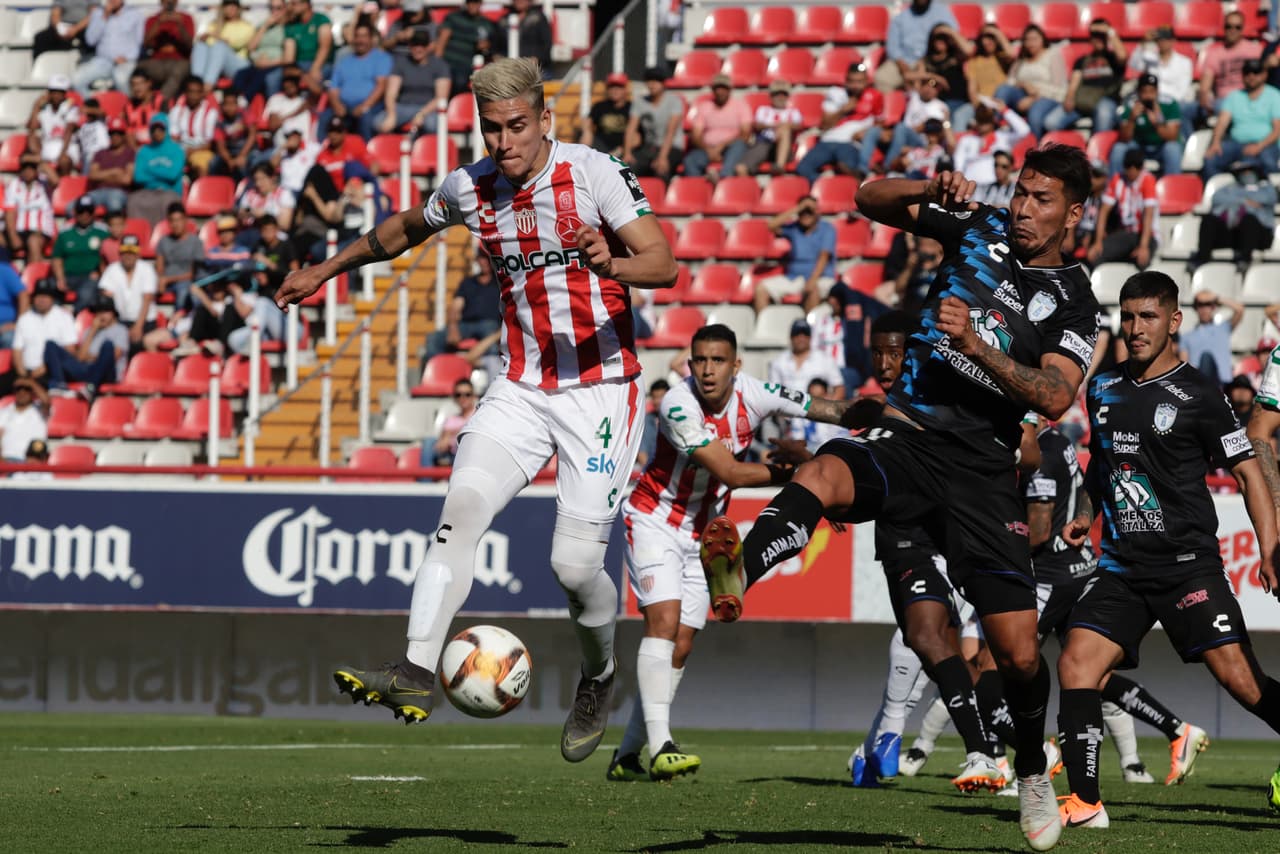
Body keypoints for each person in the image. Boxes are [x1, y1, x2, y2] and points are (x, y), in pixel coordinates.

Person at [275, 58, 678, 763]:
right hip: (519, 388)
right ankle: (414, 669)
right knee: (458, 511)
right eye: (491, 129)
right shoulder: (470, 186)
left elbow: (664, 263)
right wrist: (324, 272)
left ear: (545, 119)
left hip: (600, 388)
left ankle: (600, 674)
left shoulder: (593, 173)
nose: (504, 141)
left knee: (575, 566)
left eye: (517, 126)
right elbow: (402, 229)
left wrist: (613, 264)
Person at [700, 145, 1102, 851]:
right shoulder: (978, 226)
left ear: (1074, 213)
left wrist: (978, 347)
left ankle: (1034, 771)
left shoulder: (1074, 298)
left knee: (1017, 656)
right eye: (1020, 192)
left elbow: (1058, 394)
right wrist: (928, 184)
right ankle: (739, 573)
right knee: (825, 471)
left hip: (983, 470)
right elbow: (867, 198)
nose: (1023, 208)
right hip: (910, 434)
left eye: (1042, 200)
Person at [1055, 270, 1280, 829]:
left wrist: (1270, 549)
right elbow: (1102, 467)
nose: (1135, 329)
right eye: (1128, 317)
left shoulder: (1202, 393)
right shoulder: (1103, 387)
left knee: (1241, 681)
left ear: (1173, 321)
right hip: (1123, 567)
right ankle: (1085, 803)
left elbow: (1250, 472)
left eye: (1148, 317)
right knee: (1076, 663)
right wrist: (1086, 513)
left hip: (1187, 566)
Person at [608, 323, 858, 782]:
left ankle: (627, 754)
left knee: (681, 646)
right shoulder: (676, 404)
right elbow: (732, 474)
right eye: (699, 359)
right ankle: (663, 746)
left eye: (717, 360)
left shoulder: (755, 393)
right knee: (662, 624)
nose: (707, 370)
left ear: (736, 365)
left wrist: (874, 418)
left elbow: (828, 409)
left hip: (705, 536)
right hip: (654, 520)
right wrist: (811, 482)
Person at [843, 310, 1011, 789]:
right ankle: (878, 752)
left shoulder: (941, 403)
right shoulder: (882, 410)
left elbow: (1028, 449)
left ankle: (987, 752)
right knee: (921, 645)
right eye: (877, 351)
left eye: (895, 351)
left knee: (924, 642)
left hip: (945, 543)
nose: (884, 361)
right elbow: (853, 436)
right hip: (902, 538)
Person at [1025, 419, 1201, 787]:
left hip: (1055, 573)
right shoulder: (1057, 441)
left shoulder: (1042, 447)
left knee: (997, 659)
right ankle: (1162, 740)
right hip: (1078, 567)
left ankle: (1008, 756)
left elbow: (1040, 527)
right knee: (1091, 673)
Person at [796, 63, 884, 185]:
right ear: (846, 81)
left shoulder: (875, 96)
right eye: (852, 81)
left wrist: (867, 132)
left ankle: (845, 184)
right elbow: (824, 125)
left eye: (860, 81)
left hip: (850, 143)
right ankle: (825, 185)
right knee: (802, 168)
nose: (856, 86)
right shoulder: (836, 93)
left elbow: (880, 123)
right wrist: (843, 110)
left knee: (848, 167)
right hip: (827, 141)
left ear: (866, 81)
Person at [1188, 161, 1277, 274]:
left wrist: (1235, 197)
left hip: (1258, 236)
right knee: (1209, 220)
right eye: (1243, 172)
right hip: (1234, 233)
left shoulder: (1266, 188)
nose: (1247, 174)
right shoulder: (1231, 187)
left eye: (1250, 171)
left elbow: (1268, 199)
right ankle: (1201, 258)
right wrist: (1244, 201)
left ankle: (1245, 260)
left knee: (1249, 220)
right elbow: (1216, 198)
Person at [754, 196, 836, 313]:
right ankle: (764, 327)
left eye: (810, 211)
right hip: (795, 277)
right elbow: (771, 226)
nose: (806, 214)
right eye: (803, 211)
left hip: (820, 277)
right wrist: (797, 209)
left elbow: (824, 256)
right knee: (761, 288)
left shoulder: (827, 228)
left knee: (813, 289)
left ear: (817, 212)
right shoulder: (794, 228)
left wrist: (813, 280)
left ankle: (808, 329)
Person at [1045, 19, 1125, 135]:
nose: (1098, 39)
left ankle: (1098, 150)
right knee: (1051, 122)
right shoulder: (1082, 60)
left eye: (1101, 36)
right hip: (1083, 101)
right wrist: (1069, 98)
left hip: (1105, 100)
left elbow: (1122, 56)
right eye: (1094, 36)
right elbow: (1074, 83)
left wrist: (1109, 31)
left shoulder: (1114, 59)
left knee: (1104, 113)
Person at [1204, 58, 1280, 178]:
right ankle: (1217, 192)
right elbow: (1222, 123)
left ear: (1264, 75)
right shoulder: (1234, 96)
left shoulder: (1274, 95)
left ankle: (1271, 192)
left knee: (1266, 161)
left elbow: (1277, 130)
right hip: (1237, 144)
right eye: (1247, 72)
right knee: (1211, 158)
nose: (1251, 76)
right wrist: (1215, 142)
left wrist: (1259, 146)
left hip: (1266, 145)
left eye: (1256, 72)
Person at [861, 76, 950, 178]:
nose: (929, 90)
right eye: (926, 85)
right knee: (874, 131)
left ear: (938, 91)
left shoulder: (940, 106)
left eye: (934, 88)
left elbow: (931, 128)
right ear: (921, 87)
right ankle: (862, 169)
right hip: (901, 135)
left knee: (901, 128)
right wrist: (930, 75)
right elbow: (907, 76)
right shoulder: (915, 96)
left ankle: (887, 166)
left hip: (922, 142)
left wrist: (893, 134)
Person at [1189, 11, 1262, 133]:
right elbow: (1205, 86)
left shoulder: (1255, 51)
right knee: (1184, 110)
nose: (1232, 30)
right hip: (1221, 101)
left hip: (1246, 98)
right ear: (1224, 28)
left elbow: (1262, 79)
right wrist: (1204, 97)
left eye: (1237, 27)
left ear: (1242, 29)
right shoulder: (1214, 53)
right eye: (1229, 26)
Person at [424, 248, 500, 362]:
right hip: (465, 324)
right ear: (477, 260)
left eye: (488, 259)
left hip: (490, 325)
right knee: (433, 338)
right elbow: (456, 306)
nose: (485, 262)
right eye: (482, 258)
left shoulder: (500, 283)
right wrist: (453, 327)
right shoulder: (468, 283)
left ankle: (491, 373)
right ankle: (438, 373)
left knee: (493, 344)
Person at [1087, 148, 1158, 269]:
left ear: (1139, 169)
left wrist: (1143, 246)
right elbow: (1103, 211)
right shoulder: (1117, 179)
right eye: (1128, 168)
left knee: (1141, 259)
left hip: (1146, 234)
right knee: (1095, 255)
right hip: (1125, 233)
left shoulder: (1148, 180)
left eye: (1134, 169)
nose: (1131, 172)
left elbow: (1148, 215)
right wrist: (1098, 242)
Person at [994, 24, 1067, 140]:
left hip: (1047, 98)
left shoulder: (1053, 55)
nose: (1030, 43)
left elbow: (1060, 90)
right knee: (1003, 90)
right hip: (1022, 94)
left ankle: (1035, 149)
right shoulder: (1022, 59)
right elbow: (1010, 81)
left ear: (1042, 40)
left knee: (1035, 113)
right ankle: (992, 130)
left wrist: (1035, 97)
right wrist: (1023, 84)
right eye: (1027, 40)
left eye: (1034, 39)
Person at [43, 295, 129, 393]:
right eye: (98, 312)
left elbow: (114, 356)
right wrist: (93, 330)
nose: (101, 315)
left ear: (113, 313)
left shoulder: (121, 330)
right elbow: (80, 357)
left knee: (107, 345)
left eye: (105, 311)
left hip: (107, 374)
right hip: (88, 370)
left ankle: (91, 388)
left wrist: (91, 357)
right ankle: (59, 386)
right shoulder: (89, 330)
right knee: (51, 345)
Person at [323, 22, 393, 140]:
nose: (360, 40)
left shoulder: (382, 58)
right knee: (325, 117)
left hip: (371, 105)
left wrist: (364, 106)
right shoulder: (344, 60)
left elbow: (381, 86)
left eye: (364, 36)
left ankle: (366, 153)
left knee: (366, 117)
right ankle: (323, 155)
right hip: (344, 106)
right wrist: (337, 105)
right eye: (357, 36)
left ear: (371, 39)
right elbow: (333, 88)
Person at [876, 0, 958, 93]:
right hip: (906, 62)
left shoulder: (942, 13)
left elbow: (954, 36)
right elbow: (892, 48)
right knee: (882, 79)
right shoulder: (901, 18)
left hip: (933, 62)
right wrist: (902, 66)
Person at [379, 30, 452, 135]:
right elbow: (391, 94)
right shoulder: (401, 63)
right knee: (380, 122)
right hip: (403, 107)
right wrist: (391, 115)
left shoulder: (440, 65)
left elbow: (440, 98)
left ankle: (428, 150)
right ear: (409, 46)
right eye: (414, 45)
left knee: (431, 124)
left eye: (422, 45)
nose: (418, 49)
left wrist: (421, 114)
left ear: (429, 46)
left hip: (428, 108)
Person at [1109, 73, 1182, 178]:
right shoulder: (1130, 105)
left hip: (1161, 147)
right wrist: (1132, 119)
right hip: (1139, 146)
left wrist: (1157, 123)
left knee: (1173, 148)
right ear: (1138, 92)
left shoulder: (1169, 104)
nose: (1148, 96)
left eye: (1152, 91)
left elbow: (1173, 137)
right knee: (1119, 148)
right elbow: (1124, 138)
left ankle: (1173, 188)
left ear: (1157, 91)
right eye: (1144, 92)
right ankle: (1113, 188)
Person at [681, 74, 751, 180]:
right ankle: (699, 190)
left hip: (731, 147)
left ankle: (724, 179)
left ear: (730, 90)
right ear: (712, 90)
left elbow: (745, 134)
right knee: (690, 160)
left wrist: (721, 146)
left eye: (723, 88)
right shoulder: (704, 107)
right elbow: (696, 136)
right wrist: (709, 150)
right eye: (717, 88)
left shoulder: (741, 106)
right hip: (707, 148)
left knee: (739, 145)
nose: (720, 91)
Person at [11, 280, 78, 388]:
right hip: (28, 372)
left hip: (52, 371)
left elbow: (70, 351)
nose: (42, 299)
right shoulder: (24, 319)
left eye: (46, 296)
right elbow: (17, 350)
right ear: (33, 298)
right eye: (39, 296)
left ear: (52, 298)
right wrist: (22, 374)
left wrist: (44, 368)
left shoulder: (64, 317)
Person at [624, 67, 685, 181]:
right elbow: (631, 128)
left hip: (672, 147)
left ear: (663, 84)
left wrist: (662, 157)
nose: (652, 85)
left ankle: (662, 196)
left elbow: (670, 132)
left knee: (661, 169)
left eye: (656, 81)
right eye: (649, 81)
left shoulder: (674, 101)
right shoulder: (640, 101)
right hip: (650, 147)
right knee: (629, 169)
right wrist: (627, 153)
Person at [951, 103, 1031, 188]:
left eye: (986, 120)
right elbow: (958, 165)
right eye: (980, 119)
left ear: (993, 120)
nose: (983, 123)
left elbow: (1024, 131)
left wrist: (1005, 111)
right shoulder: (967, 139)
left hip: (994, 188)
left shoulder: (1004, 137)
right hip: (969, 186)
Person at [73, 0, 145, 95]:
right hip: (102, 61)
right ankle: (93, 105)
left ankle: (128, 107)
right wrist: (104, 17)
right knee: (76, 79)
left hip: (126, 61)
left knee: (121, 79)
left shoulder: (135, 14)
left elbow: (139, 41)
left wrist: (127, 57)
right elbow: (90, 40)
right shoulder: (98, 13)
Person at [98, 235, 158, 347]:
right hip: (121, 321)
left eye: (132, 253)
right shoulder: (112, 269)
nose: (128, 256)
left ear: (137, 254)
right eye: (125, 252)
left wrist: (138, 326)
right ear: (120, 253)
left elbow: (147, 299)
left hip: (145, 321)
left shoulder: (147, 269)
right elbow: (106, 298)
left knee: (137, 345)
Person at [1179, 289, 1246, 385]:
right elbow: (1184, 366)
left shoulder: (1224, 328)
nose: (1204, 309)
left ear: (1213, 307)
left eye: (1208, 305)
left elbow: (1240, 309)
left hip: (1223, 384)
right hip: (1199, 384)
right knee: (1205, 359)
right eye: (1200, 305)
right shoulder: (1186, 337)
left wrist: (1216, 298)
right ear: (1196, 308)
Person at [52, 196, 108, 309]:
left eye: (89, 211)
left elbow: (108, 257)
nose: (85, 215)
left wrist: (100, 273)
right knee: (48, 289)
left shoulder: (103, 231)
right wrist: (60, 278)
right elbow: (57, 258)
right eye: (81, 211)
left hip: (90, 277)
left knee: (86, 293)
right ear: (75, 212)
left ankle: (74, 317)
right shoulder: (65, 232)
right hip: (68, 276)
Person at [232, 0, 295, 100]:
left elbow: (288, 58)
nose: (275, 11)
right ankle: (236, 102)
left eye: (278, 8)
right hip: (258, 63)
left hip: (276, 64)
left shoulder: (289, 27)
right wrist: (265, 26)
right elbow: (251, 47)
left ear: (285, 9)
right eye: (272, 8)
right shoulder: (263, 25)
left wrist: (267, 63)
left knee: (262, 77)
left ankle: (247, 103)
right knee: (241, 74)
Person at [130, 114, 186, 226]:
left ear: (167, 130)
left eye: (161, 129)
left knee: (167, 203)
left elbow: (173, 175)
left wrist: (149, 169)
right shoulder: (144, 151)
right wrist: (162, 173)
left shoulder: (177, 150)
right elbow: (138, 177)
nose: (157, 132)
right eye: (154, 129)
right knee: (133, 201)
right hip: (148, 191)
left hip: (169, 191)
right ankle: (140, 235)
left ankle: (162, 235)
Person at [738, 79, 802, 176]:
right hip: (764, 144)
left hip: (784, 148)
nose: (780, 97)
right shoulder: (763, 110)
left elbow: (798, 125)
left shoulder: (793, 112)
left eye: (783, 94)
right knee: (741, 167)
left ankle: (779, 166)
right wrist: (775, 125)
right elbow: (757, 125)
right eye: (777, 94)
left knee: (784, 130)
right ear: (771, 96)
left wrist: (784, 126)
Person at [1127, 27, 1194, 119]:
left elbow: (1182, 90)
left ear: (1173, 41)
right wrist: (1143, 42)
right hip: (1150, 101)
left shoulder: (1184, 62)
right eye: (1159, 39)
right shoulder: (1149, 57)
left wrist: (1165, 104)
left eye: (1165, 39)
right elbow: (1133, 64)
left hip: (1173, 103)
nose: (1162, 42)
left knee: (1181, 111)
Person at [768, 320, 844, 400]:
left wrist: (829, 408)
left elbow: (839, 388)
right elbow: (773, 392)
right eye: (797, 334)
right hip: (786, 409)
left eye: (805, 334)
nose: (801, 338)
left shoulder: (824, 359)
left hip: (817, 409)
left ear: (810, 337)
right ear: (791, 337)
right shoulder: (779, 361)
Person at [135, 0, 195, 102]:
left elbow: (189, 44)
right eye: (166, 1)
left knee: (178, 71)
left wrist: (180, 24)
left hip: (179, 61)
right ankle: (137, 104)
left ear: (177, 2)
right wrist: (158, 23)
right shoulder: (153, 19)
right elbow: (146, 43)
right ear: (161, 2)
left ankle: (159, 102)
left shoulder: (186, 18)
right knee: (137, 70)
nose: (169, 3)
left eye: (172, 1)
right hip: (157, 62)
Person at [4, 155, 58, 268]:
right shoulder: (14, 185)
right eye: (25, 168)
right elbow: (9, 211)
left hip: (40, 231)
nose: (28, 171)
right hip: (20, 231)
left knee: (33, 242)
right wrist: (13, 235)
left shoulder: (44, 183)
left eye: (31, 168)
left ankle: (34, 278)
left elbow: (56, 180)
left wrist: (39, 161)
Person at [963, 24, 1015, 132]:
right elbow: (972, 90)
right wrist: (980, 108)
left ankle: (993, 124)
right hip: (982, 102)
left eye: (992, 38)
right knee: (960, 115)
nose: (988, 42)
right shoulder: (974, 61)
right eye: (985, 38)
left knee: (1003, 90)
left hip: (1001, 102)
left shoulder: (1002, 57)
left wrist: (995, 32)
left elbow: (1012, 53)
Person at [190, 0, 254, 87]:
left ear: (238, 8)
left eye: (233, 5)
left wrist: (214, 36)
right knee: (200, 45)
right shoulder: (214, 24)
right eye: (227, 5)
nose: (230, 8)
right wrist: (206, 38)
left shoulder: (246, 26)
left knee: (219, 47)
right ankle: (196, 82)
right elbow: (208, 42)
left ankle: (208, 84)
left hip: (238, 64)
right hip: (217, 61)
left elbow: (235, 44)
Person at [437, 0, 495, 94]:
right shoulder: (453, 17)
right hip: (448, 61)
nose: (472, 5)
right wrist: (437, 61)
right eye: (470, 2)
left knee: (461, 81)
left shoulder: (486, 24)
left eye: (475, 2)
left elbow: (490, 47)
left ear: (480, 4)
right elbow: (442, 40)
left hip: (468, 64)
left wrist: (486, 46)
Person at [155, 203, 205, 311]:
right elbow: (159, 266)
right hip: (166, 282)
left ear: (185, 220)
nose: (175, 224)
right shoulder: (163, 241)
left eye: (179, 220)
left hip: (185, 281)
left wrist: (168, 279)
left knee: (184, 290)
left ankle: (179, 322)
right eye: (172, 221)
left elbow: (194, 273)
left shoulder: (196, 242)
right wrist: (160, 280)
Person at [168, 77, 220, 178]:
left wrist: (192, 151)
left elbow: (209, 144)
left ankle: (203, 192)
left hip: (201, 150)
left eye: (197, 92)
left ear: (202, 94)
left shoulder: (210, 112)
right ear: (185, 93)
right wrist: (180, 152)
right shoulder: (177, 110)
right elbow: (173, 138)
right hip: (180, 149)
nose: (193, 96)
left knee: (201, 165)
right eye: (190, 92)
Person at [27, 75, 80, 169]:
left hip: (67, 148)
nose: (57, 95)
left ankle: (64, 182)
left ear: (64, 94)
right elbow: (31, 127)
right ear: (49, 93)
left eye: (60, 92)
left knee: (64, 161)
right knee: (32, 139)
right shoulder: (44, 109)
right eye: (54, 92)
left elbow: (68, 132)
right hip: (48, 145)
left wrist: (62, 153)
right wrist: (36, 106)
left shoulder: (71, 107)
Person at [427, 378, 479, 467]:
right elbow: (442, 442)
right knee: (428, 442)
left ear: (473, 396)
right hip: (450, 454)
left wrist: (451, 434)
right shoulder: (451, 419)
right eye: (458, 395)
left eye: (467, 394)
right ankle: (425, 479)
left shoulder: (478, 414)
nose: (463, 398)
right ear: (454, 397)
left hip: (468, 454)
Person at [284, 0, 332, 94]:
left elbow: (325, 46)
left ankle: (311, 106)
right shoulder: (291, 25)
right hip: (299, 64)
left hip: (321, 63)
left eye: (294, 4)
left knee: (315, 81)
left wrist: (316, 68)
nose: (291, 7)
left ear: (305, 4)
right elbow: (289, 56)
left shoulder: (321, 19)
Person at [581, 73, 631, 157]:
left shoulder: (632, 108)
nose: (615, 90)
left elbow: (638, 137)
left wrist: (621, 149)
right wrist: (586, 131)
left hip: (623, 149)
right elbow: (587, 122)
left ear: (625, 89)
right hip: (601, 147)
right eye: (611, 87)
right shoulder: (600, 106)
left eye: (619, 87)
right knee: (586, 135)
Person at [0, 379, 49, 463]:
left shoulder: (40, 410)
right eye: (19, 390)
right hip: (8, 460)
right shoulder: (5, 412)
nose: (22, 393)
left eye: (26, 390)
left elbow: (47, 401)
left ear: (32, 393)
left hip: (34, 461)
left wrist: (31, 383)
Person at [504, 0, 552, 71]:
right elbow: (496, 46)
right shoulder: (503, 20)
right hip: (509, 68)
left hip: (535, 69)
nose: (519, 1)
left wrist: (537, 59)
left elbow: (547, 43)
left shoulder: (539, 18)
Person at [0, 260, 26, 349]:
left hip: (5, 325)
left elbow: (23, 295)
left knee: (9, 338)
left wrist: (19, 323)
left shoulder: (4, 270)